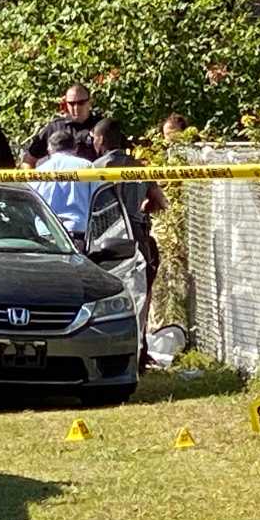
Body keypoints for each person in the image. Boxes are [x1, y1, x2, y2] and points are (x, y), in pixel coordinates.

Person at [92, 119, 167, 349]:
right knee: (140, 290)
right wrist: (141, 207)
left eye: (94, 137)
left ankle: (106, 341)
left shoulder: (94, 169)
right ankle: (139, 343)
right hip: (137, 235)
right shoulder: (139, 166)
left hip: (106, 236)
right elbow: (161, 202)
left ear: (101, 139)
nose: (93, 141)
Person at [30, 129, 95, 249]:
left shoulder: (39, 172)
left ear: (49, 149)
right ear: (75, 148)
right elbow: (98, 198)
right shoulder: (87, 167)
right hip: (77, 235)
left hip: (46, 236)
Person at [22, 83, 102, 168]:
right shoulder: (55, 127)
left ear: (90, 102)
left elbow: (113, 158)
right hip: (61, 180)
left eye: (81, 103)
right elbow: (28, 161)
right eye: (71, 103)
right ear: (66, 104)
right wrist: (33, 180)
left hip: (92, 179)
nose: (76, 108)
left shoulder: (102, 126)